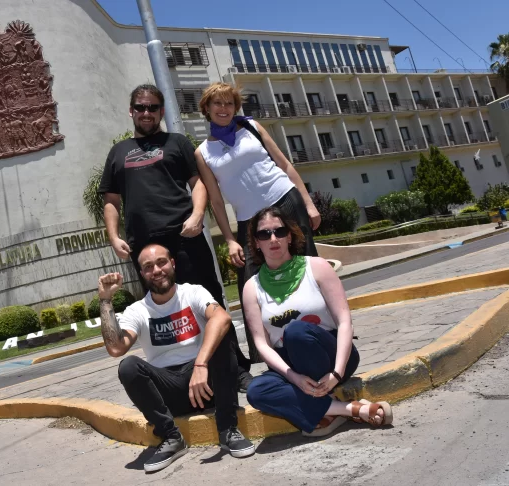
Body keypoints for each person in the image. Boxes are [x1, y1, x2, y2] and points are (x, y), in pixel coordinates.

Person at [99, 83, 253, 390]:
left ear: (161, 111)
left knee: (210, 302)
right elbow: (111, 200)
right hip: (145, 248)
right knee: (166, 310)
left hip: (186, 237)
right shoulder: (118, 153)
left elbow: (199, 183)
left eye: (152, 107)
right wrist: (114, 237)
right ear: (131, 111)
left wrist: (197, 216)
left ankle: (234, 369)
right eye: (140, 107)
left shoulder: (177, 142)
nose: (146, 113)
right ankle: (183, 370)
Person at [98, 243, 255, 473]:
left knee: (220, 338)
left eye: (161, 262)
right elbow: (115, 348)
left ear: (173, 263)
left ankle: (228, 429)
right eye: (148, 267)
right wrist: (105, 300)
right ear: (142, 274)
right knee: (128, 366)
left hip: (205, 384)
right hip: (169, 390)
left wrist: (201, 363)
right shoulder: (137, 310)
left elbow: (221, 318)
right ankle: (171, 437)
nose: (157, 270)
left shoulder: (193, 292)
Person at [194, 82, 320, 360]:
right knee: (249, 282)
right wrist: (229, 239)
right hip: (248, 219)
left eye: (229, 103)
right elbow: (215, 200)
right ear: (207, 108)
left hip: (285, 200)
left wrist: (309, 203)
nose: (224, 108)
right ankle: (265, 352)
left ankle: (328, 330)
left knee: (308, 266)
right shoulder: (203, 152)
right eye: (217, 103)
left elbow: (285, 165)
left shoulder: (252, 127)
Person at [242, 206, 393, 436]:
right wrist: (294, 377)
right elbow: (262, 344)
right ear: (257, 242)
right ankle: (346, 409)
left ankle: (322, 407)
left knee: (296, 332)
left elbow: (344, 321)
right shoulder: (252, 288)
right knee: (256, 391)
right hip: (290, 364)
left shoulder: (317, 267)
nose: (273, 239)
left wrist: (337, 373)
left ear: (289, 235)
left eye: (279, 231)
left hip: (331, 354)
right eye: (264, 234)